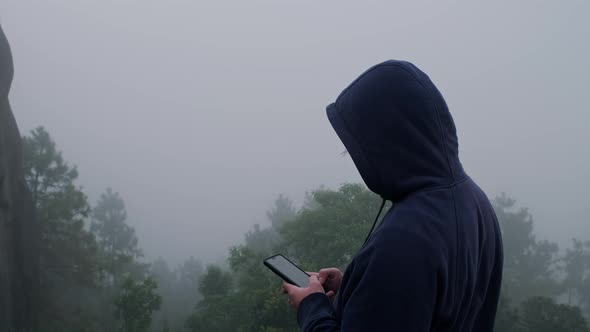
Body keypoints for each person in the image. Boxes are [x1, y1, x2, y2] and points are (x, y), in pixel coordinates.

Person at [282, 60, 503, 331]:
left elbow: (404, 273)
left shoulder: (404, 240)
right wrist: (355, 286)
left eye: (357, 147)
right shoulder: (474, 201)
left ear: (385, 141)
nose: (354, 158)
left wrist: (311, 306)